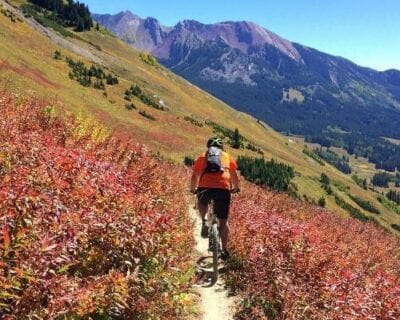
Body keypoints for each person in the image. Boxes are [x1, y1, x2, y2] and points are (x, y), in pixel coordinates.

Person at [190, 137, 240, 260]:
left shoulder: (202, 157)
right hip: (223, 189)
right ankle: (224, 250)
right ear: (222, 147)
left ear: (208, 147)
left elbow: (194, 176)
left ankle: (205, 220)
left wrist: (193, 189)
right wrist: (236, 188)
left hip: (205, 187)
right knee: (223, 222)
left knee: (202, 203)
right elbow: (234, 176)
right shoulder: (228, 157)